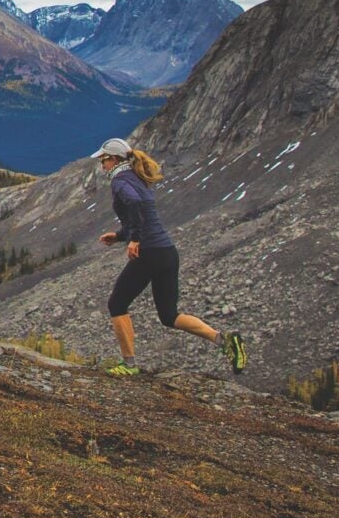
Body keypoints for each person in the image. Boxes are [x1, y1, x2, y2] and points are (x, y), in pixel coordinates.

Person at [92, 137, 246, 377]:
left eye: (103, 160)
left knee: (117, 304)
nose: (102, 165)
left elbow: (135, 205)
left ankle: (129, 365)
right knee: (168, 315)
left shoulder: (120, 181)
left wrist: (135, 240)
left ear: (114, 159)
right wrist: (121, 235)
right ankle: (224, 341)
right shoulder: (137, 178)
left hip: (149, 253)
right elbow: (144, 215)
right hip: (167, 251)